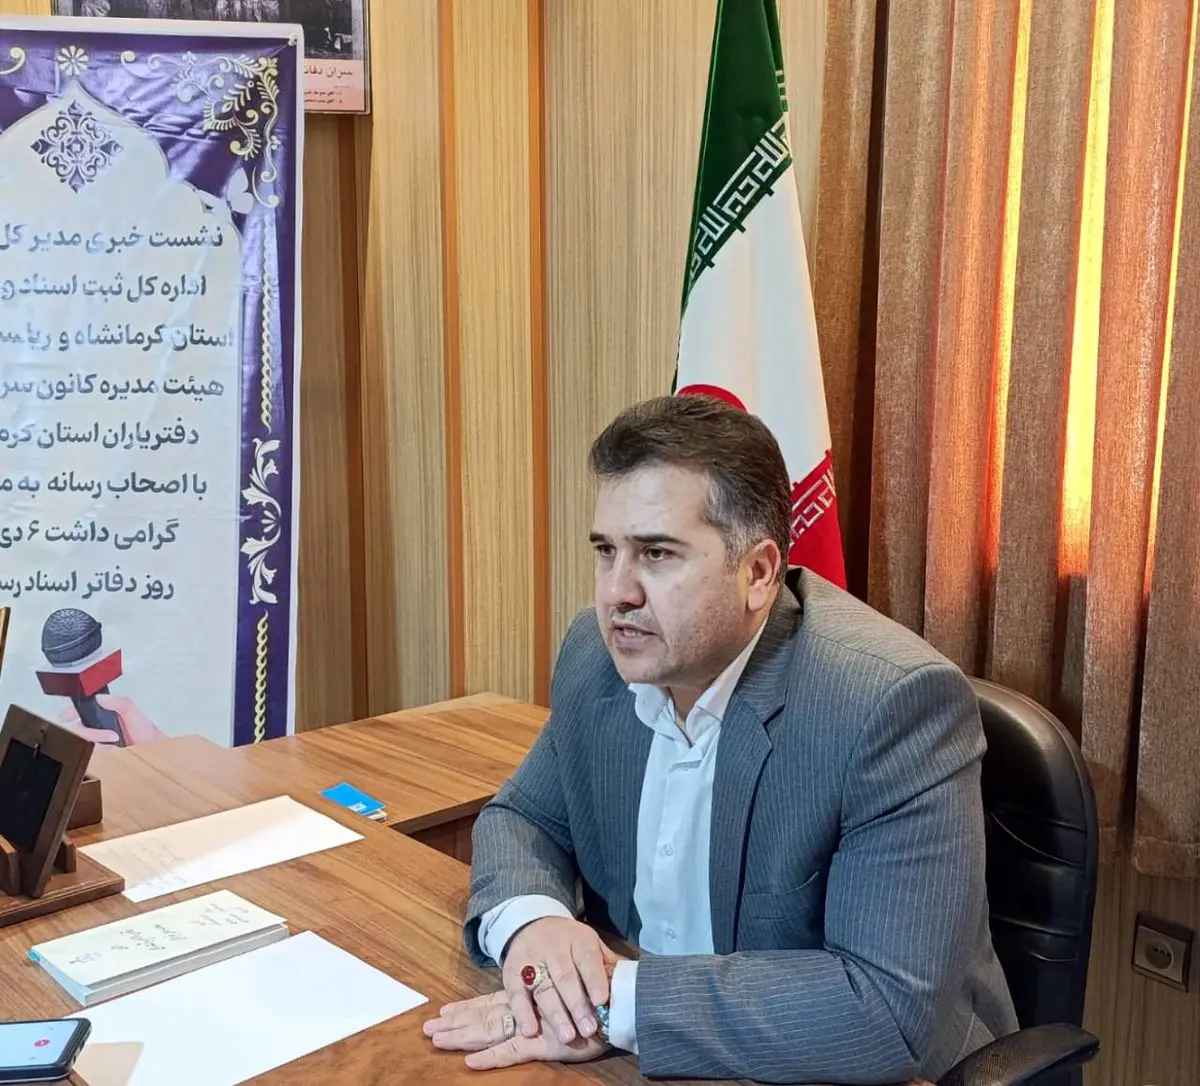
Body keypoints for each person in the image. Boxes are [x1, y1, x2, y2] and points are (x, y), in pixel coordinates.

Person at [423, 395, 1018, 1083]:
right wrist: (535, 929)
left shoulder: (887, 707)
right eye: (606, 551)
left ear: (758, 573)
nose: (616, 593)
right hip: (645, 1056)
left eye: (656, 554)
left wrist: (610, 1005)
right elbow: (523, 819)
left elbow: (886, 1010)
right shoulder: (598, 656)